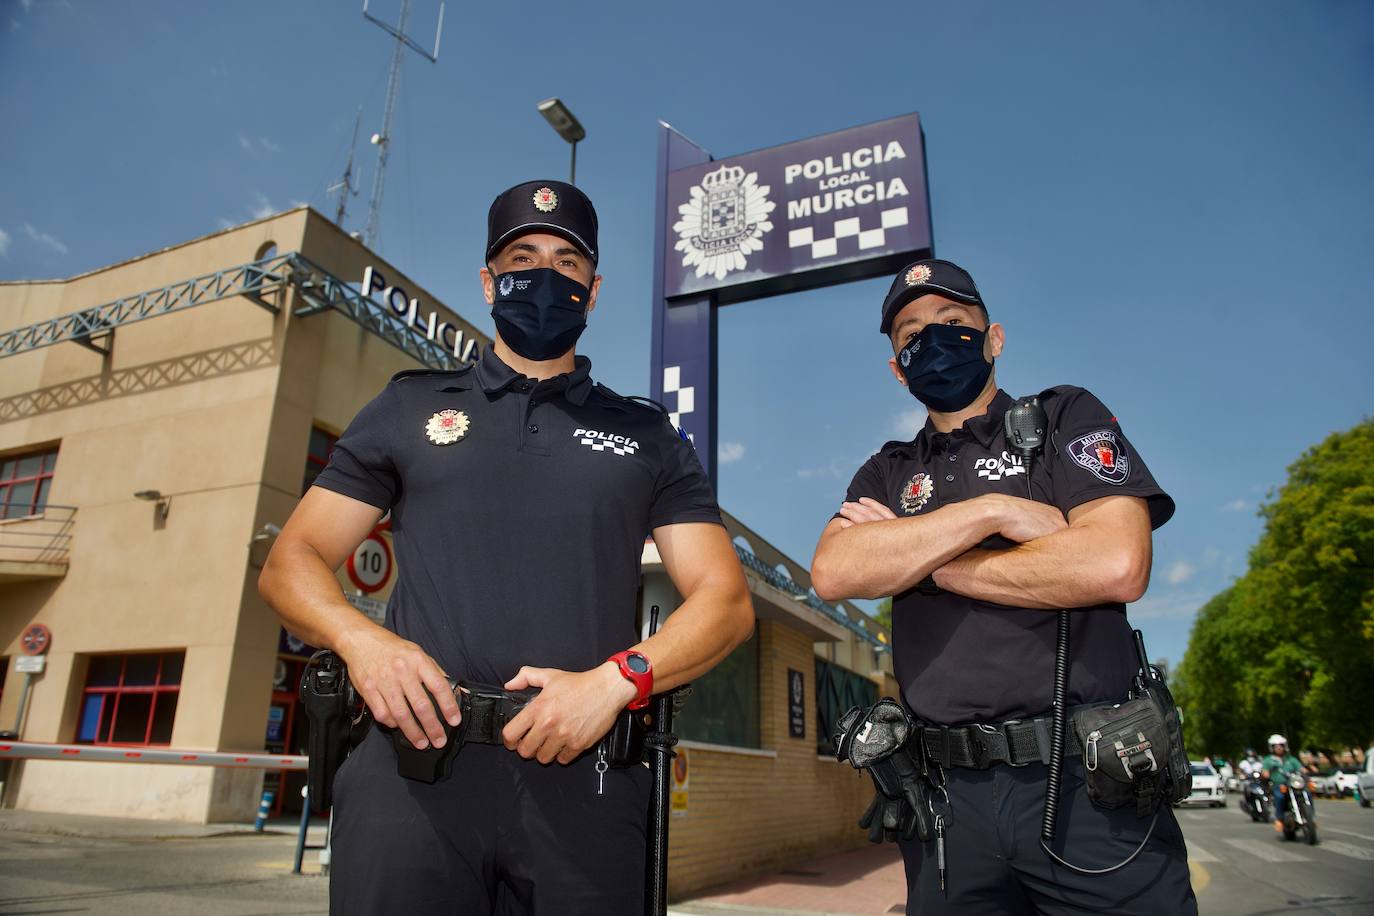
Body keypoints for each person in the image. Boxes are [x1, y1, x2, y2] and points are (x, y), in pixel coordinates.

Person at [259, 179, 754, 915]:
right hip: (410, 776)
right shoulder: (408, 407)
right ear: (489, 281)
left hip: (583, 780)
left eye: (567, 262)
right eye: (523, 257)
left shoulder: (648, 437)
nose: (545, 276)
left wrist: (618, 681)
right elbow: (290, 561)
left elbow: (726, 602)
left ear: (593, 290)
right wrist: (363, 643)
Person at [811, 259, 1196, 914]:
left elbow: (1114, 563)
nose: (931, 338)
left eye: (952, 322)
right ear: (897, 369)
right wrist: (990, 514)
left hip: (1084, 784)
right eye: (911, 333)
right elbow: (835, 572)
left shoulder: (1063, 417)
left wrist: (932, 562)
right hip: (944, 803)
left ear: (994, 337)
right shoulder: (888, 471)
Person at [1262, 734, 1308, 834]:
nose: (1279, 748)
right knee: (1280, 797)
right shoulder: (1268, 760)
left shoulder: (1291, 759)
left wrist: (1305, 771)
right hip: (1279, 785)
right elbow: (1265, 771)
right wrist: (1266, 773)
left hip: (1293, 783)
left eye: (1281, 745)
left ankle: (1311, 818)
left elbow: (1301, 769)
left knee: (1307, 793)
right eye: (1276, 746)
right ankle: (1279, 819)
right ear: (1272, 747)